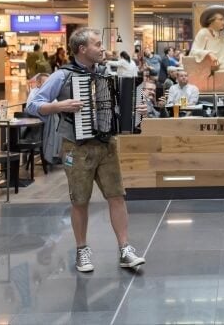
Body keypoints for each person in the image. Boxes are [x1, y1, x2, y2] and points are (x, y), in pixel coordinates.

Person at [27, 28, 145, 273]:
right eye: (97, 44)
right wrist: (59, 105)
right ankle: (82, 250)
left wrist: (136, 112)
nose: (102, 48)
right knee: (79, 200)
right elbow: (32, 105)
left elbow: (119, 107)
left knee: (116, 195)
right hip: (76, 147)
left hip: (106, 144)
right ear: (82, 49)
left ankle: (125, 248)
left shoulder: (107, 73)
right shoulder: (62, 76)